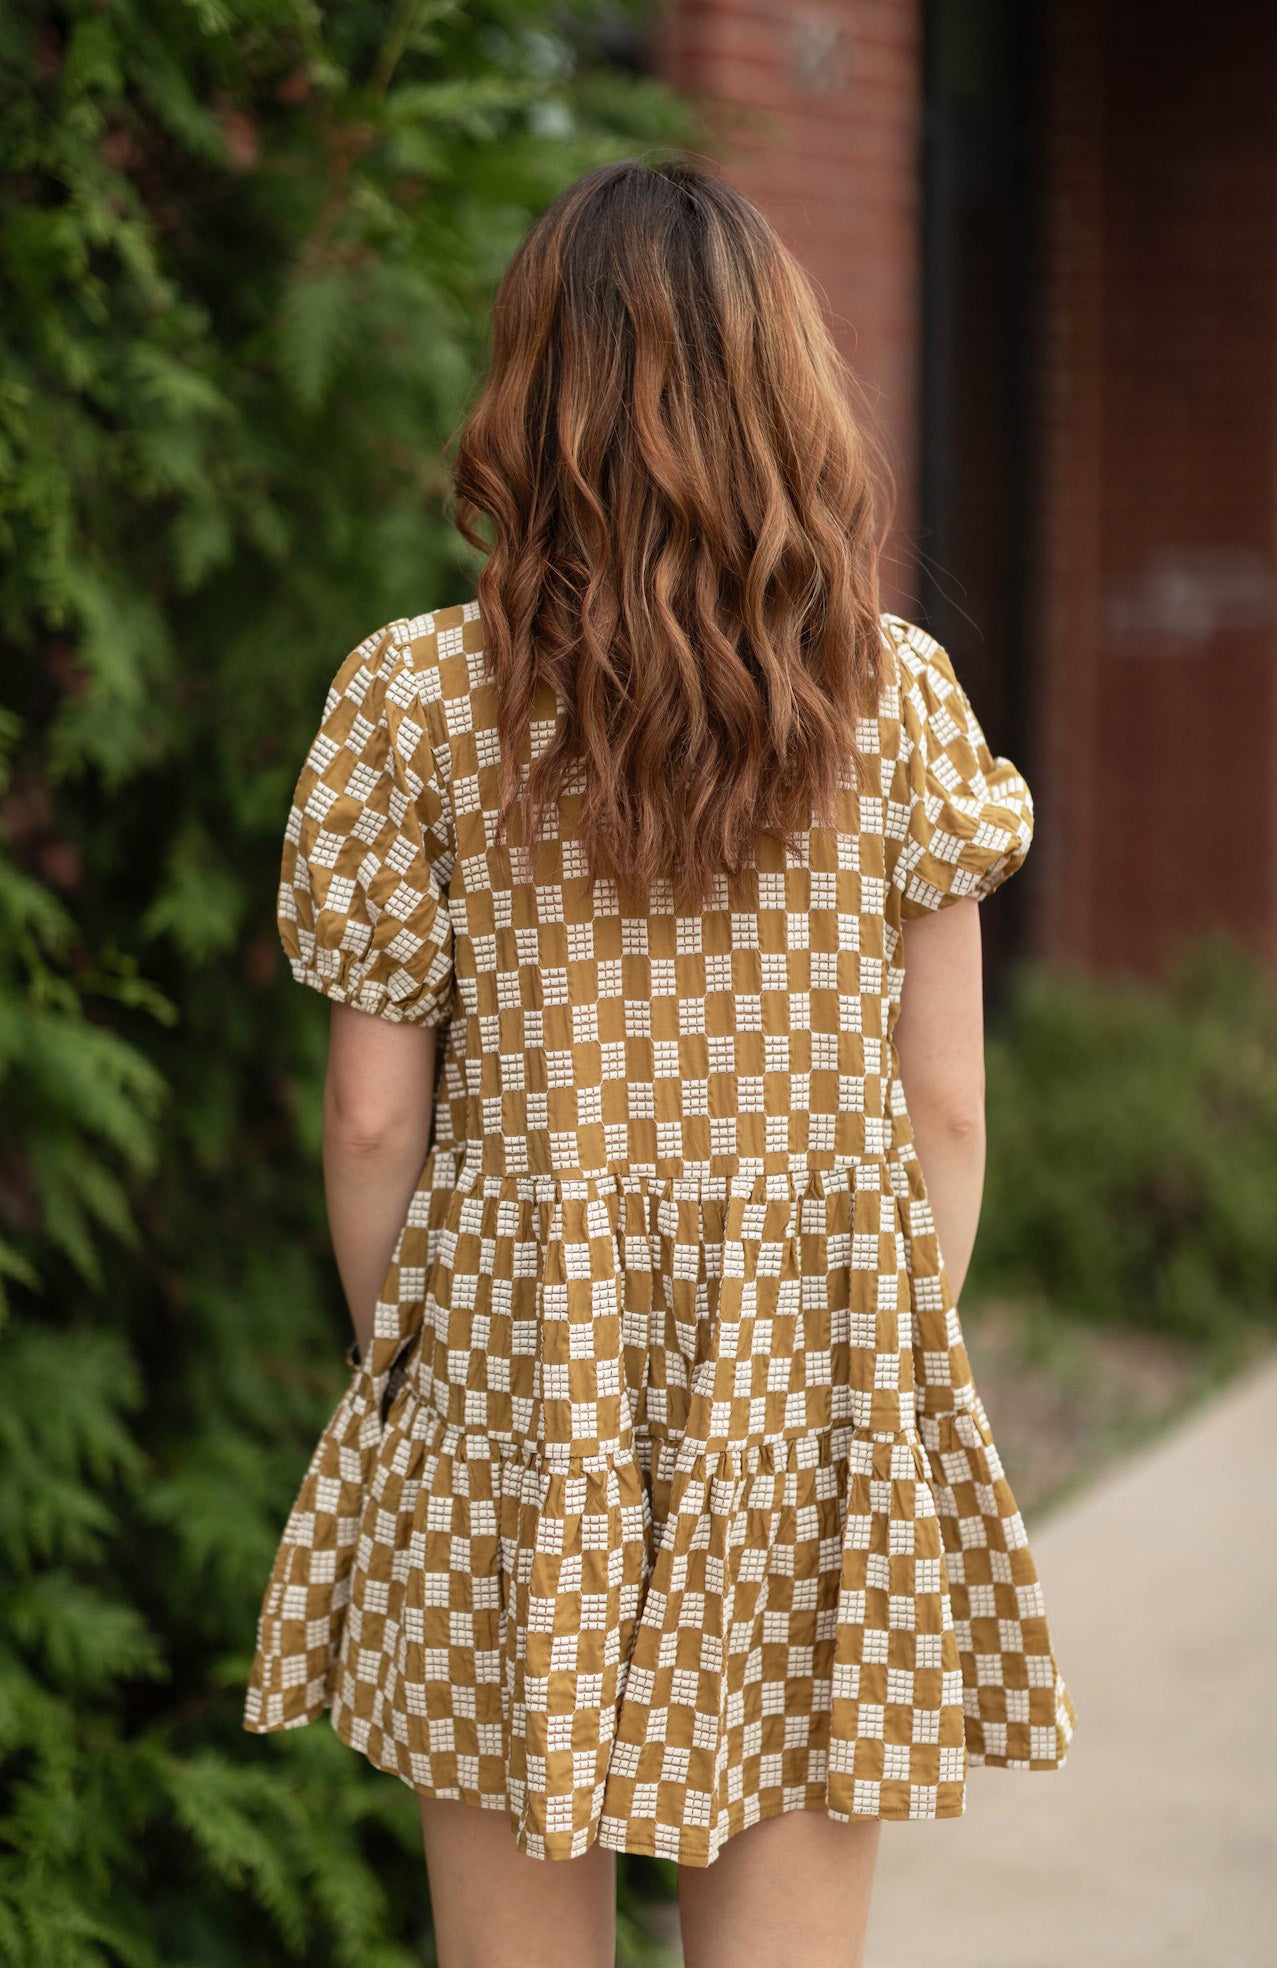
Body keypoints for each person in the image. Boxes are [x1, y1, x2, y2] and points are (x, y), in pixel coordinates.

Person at [242, 155, 1076, 1968]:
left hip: (507, 1372)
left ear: (527, 400)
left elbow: (374, 1112)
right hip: (810, 1389)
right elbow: (946, 1104)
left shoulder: (409, 701)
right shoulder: (894, 697)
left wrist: (424, 1357)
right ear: (789, 398)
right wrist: (872, 1365)